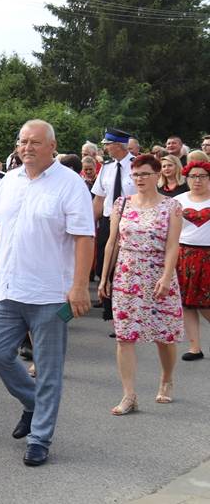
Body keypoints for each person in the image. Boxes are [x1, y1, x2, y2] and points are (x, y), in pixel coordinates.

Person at [0, 119, 95, 467]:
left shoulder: (70, 184)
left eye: (35, 142)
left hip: (51, 295)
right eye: (22, 142)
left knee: (49, 371)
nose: (27, 148)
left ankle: (40, 438)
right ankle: (34, 404)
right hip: (8, 289)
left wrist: (79, 285)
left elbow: (84, 238)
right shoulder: (8, 183)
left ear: (52, 146)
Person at [97, 155, 183, 414]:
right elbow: (112, 242)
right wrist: (104, 277)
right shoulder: (121, 203)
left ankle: (166, 379)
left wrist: (166, 277)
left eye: (145, 174)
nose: (139, 179)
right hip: (127, 274)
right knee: (124, 336)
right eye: (135, 175)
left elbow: (173, 245)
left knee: (164, 336)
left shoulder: (172, 206)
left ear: (158, 175)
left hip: (158, 274)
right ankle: (129, 395)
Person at [91, 129, 136, 324]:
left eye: (107, 144)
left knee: (124, 266)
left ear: (118, 145)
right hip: (109, 221)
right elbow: (99, 199)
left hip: (132, 222)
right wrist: (89, 225)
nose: (105, 148)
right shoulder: (106, 168)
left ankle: (124, 313)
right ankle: (109, 309)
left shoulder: (138, 165)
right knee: (104, 263)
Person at [176, 161, 210, 361]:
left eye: (202, 176)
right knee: (187, 303)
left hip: (208, 256)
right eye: (193, 176)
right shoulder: (178, 201)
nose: (197, 180)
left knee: (206, 304)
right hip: (184, 254)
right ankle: (195, 347)